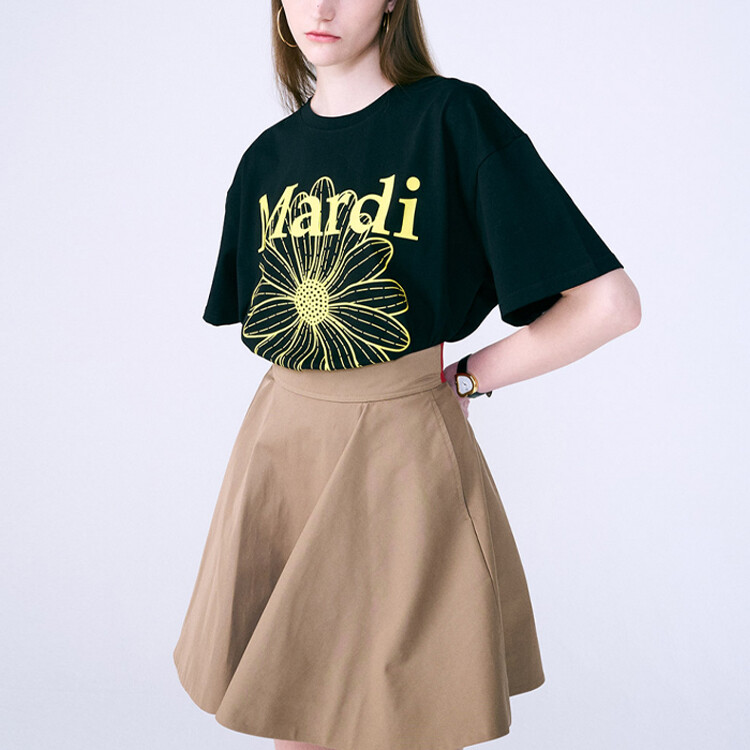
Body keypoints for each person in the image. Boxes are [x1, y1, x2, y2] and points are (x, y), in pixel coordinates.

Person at [172, 2, 642, 750]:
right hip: (279, 453)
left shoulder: (451, 120)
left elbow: (608, 305)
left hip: (397, 460)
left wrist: (466, 379)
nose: (321, 8)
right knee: (293, 718)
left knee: (402, 720)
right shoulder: (266, 158)